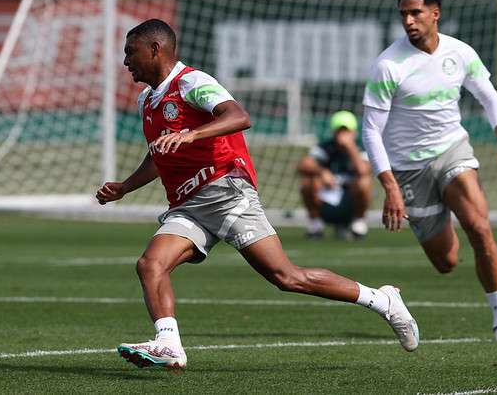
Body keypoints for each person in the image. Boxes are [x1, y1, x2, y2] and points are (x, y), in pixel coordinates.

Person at [95, 19, 419, 369]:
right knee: (150, 264)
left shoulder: (192, 82)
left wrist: (190, 135)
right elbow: (160, 155)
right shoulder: (147, 101)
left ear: (155, 49)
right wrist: (125, 186)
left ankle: (382, 300)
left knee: (286, 277)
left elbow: (239, 116)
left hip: (227, 192)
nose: (126, 61)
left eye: (131, 52)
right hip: (189, 206)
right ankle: (169, 343)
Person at [361, 0, 497, 342]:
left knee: (480, 228)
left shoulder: (460, 52)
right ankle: (442, 217)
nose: (409, 20)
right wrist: (390, 187)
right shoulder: (388, 65)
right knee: (446, 262)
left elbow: (489, 97)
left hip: (452, 150)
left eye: (416, 12)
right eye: (403, 13)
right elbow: (370, 131)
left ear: (436, 13)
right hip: (408, 169)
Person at [297, 110, 373, 240]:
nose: (342, 135)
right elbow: (303, 165)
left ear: (354, 132)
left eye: (346, 131)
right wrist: (321, 172)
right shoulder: (325, 147)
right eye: (339, 131)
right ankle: (316, 224)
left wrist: (350, 147)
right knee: (308, 181)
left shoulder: (362, 148)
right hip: (326, 200)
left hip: (350, 203)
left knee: (364, 182)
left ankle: (358, 223)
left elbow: (363, 170)